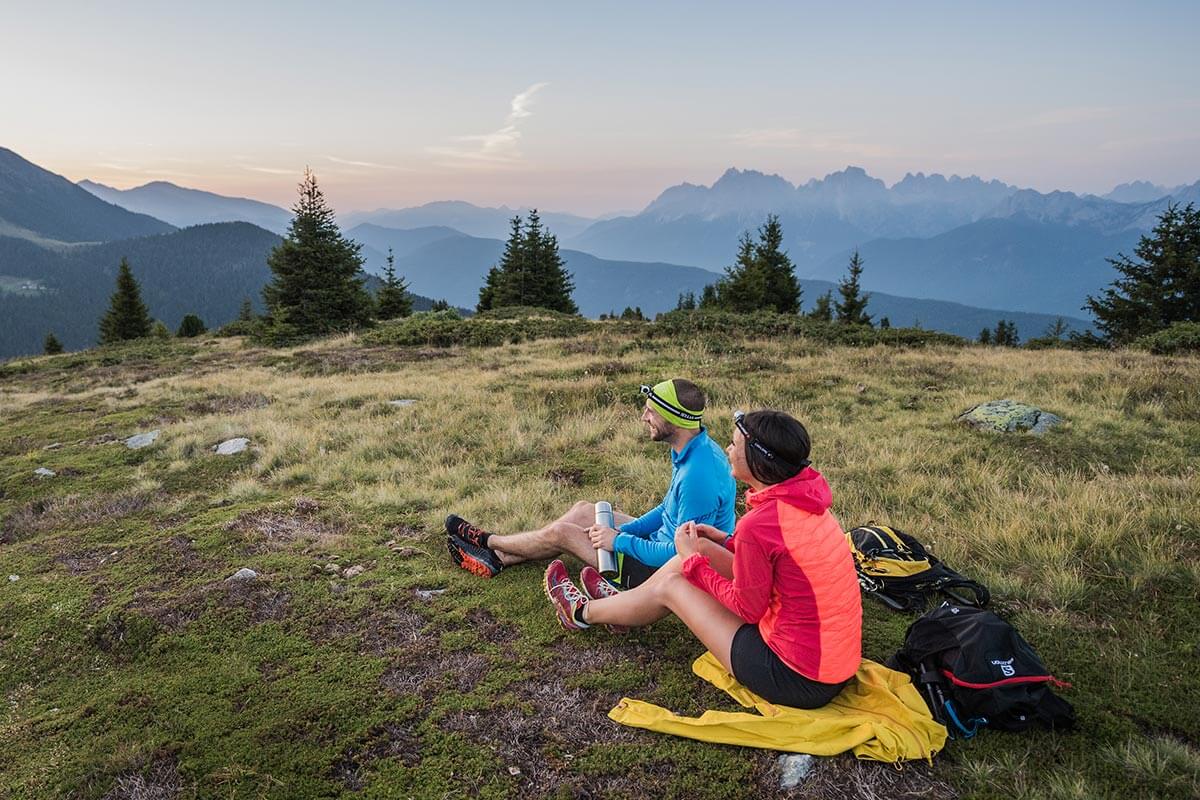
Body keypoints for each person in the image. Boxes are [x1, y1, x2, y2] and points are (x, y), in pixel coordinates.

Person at [544, 409, 862, 709]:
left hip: (796, 677)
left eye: (734, 445)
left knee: (674, 584)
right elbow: (781, 557)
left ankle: (581, 613)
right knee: (701, 548)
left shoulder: (759, 524)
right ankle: (621, 607)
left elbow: (747, 609)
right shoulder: (806, 502)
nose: (728, 450)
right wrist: (723, 540)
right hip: (831, 665)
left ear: (759, 461)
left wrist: (693, 563)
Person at [445, 378, 736, 593]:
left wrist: (618, 541)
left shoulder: (699, 476)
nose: (643, 417)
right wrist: (626, 530)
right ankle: (499, 559)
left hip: (656, 572)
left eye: (651, 412)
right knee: (584, 510)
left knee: (562, 533)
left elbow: (679, 554)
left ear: (673, 418)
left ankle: (489, 542)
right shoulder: (692, 448)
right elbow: (666, 509)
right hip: (656, 544)